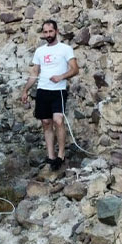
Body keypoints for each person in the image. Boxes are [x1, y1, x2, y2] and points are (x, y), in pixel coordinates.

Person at [22, 20, 80, 171]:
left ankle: (61, 155)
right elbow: (35, 72)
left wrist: (61, 77)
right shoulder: (40, 51)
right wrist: (26, 90)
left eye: (50, 31)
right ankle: (51, 156)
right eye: (45, 32)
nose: (48, 35)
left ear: (56, 31)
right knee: (46, 122)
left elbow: (75, 69)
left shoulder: (65, 49)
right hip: (42, 90)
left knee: (58, 121)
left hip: (58, 91)